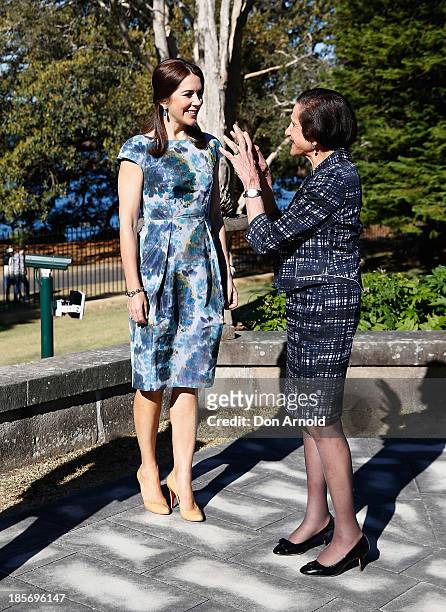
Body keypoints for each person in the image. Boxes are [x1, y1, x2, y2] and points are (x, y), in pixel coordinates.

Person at [220, 88, 369, 576]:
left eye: (293, 122)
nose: (287, 130)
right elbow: (292, 229)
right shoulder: (324, 174)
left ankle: (349, 536)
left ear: (316, 132)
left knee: (324, 422)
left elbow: (265, 239)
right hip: (309, 304)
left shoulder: (334, 179)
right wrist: (263, 183)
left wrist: (249, 187)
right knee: (308, 414)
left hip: (327, 308)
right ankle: (317, 516)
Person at [117, 58, 238, 522]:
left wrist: (227, 273)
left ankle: (182, 478)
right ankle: (149, 469)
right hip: (154, 272)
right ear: (164, 99)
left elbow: (213, 218)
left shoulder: (209, 149)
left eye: (199, 92)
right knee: (151, 380)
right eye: (187, 93)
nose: (196, 101)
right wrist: (133, 289)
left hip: (201, 271)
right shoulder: (139, 149)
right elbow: (127, 225)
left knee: (189, 379)